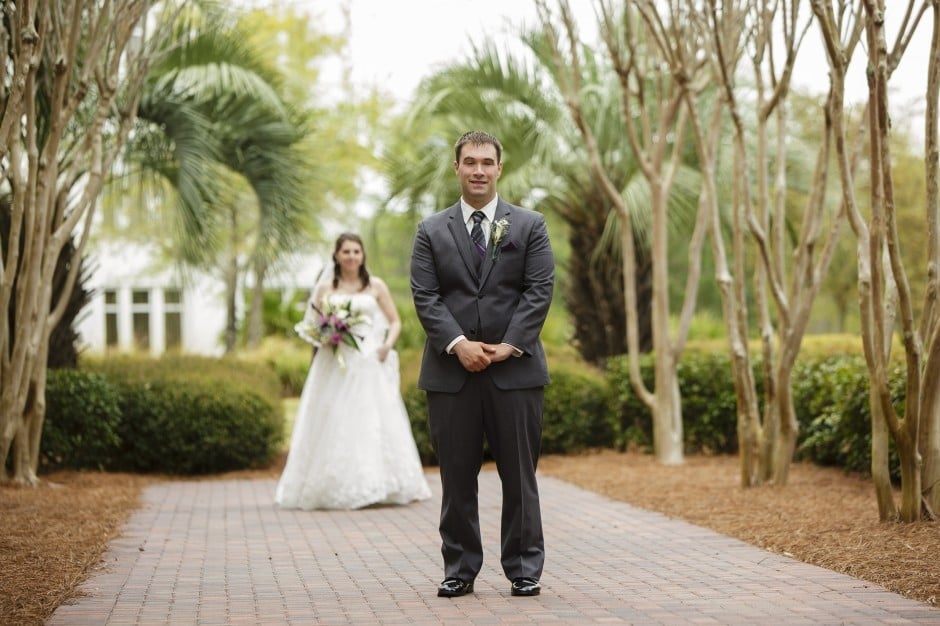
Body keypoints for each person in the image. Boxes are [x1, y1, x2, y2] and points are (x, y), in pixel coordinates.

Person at [409, 130, 555, 598]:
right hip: (451, 373)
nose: (478, 170)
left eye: (487, 162)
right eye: (469, 162)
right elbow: (426, 297)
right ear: (456, 168)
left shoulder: (530, 225)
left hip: (515, 373)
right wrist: (458, 343)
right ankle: (460, 568)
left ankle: (524, 567)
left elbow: (538, 291)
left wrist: (509, 345)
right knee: (456, 478)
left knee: (519, 476)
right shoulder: (430, 230)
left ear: (499, 169)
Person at [275, 233, 432, 510]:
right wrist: (327, 336)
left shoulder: (376, 286)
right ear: (336, 255)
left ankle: (380, 483)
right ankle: (332, 483)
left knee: (371, 417)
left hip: (369, 359)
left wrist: (386, 346)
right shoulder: (324, 288)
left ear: (363, 255)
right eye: (346, 251)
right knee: (333, 417)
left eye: (356, 251)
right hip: (334, 362)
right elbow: (313, 325)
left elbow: (395, 322)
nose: (351, 256)